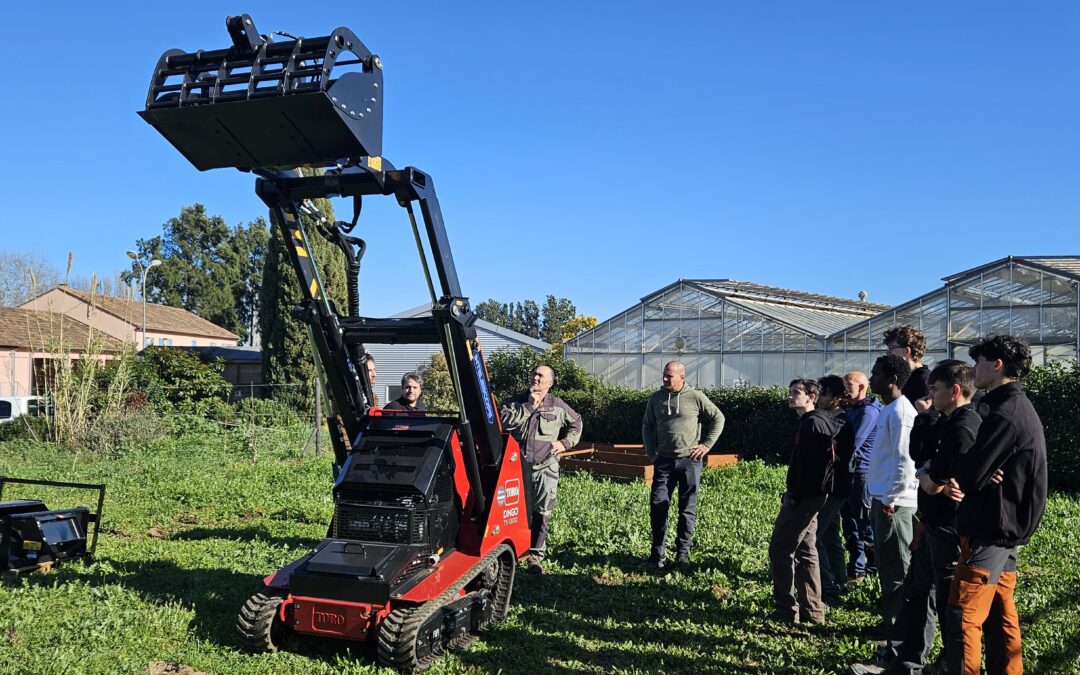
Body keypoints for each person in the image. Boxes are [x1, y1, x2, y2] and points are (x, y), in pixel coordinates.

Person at [849, 360, 981, 675]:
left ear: (955, 390)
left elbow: (923, 473)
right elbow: (920, 460)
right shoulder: (940, 419)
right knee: (918, 592)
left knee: (946, 600)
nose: (929, 394)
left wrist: (909, 488)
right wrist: (929, 473)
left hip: (948, 527)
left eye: (934, 389)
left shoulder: (965, 426)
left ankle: (948, 663)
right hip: (930, 519)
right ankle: (905, 660)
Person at [948, 336, 1047, 675]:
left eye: (979, 362)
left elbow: (971, 475)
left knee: (964, 615)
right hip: (1007, 527)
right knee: (1000, 615)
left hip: (991, 528)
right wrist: (980, 467)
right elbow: (981, 471)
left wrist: (966, 465)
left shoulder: (1004, 414)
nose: (973, 370)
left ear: (998, 365)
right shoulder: (1016, 406)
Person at [767, 378, 840, 625]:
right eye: (789, 392)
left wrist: (798, 495)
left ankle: (785, 609)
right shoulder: (813, 422)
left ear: (811, 397)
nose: (790, 396)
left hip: (805, 498)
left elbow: (818, 467)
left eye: (796, 392)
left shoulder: (814, 425)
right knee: (806, 550)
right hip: (810, 497)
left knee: (780, 549)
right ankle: (813, 609)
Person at [642, 360, 725, 571]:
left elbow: (718, 418)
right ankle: (657, 552)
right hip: (664, 462)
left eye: (669, 376)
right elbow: (647, 426)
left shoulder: (695, 397)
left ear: (682, 377)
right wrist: (651, 454)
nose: (665, 379)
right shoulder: (656, 398)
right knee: (658, 505)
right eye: (664, 374)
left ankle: (682, 553)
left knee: (687, 508)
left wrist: (706, 445)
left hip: (689, 462)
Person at [500, 365, 583, 575]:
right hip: (515, 468)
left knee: (542, 512)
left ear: (550, 383)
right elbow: (503, 423)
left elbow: (577, 423)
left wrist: (565, 443)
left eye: (541, 376)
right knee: (511, 511)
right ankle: (510, 551)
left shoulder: (557, 405)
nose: (536, 378)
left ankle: (535, 555)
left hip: (546, 467)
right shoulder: (515, 401)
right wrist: (528, 406)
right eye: (534, 374)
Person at [867, 354, 918, 637]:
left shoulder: (900, 413)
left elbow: (904, 460)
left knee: (897, 564)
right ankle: (891, 620)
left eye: (876, 373)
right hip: (885, 498)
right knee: (886, 563)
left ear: (892, 380)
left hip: (895, 503)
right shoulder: (889, 409)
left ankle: (898, 629)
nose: (871, 377)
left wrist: (891, 498)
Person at [814, 375, 856, 605]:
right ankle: (839, 581)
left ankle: (827, 584)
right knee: (830, 535)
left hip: (835, 486)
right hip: (834, 486)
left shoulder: (840, 421)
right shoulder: (835, 418)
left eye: (824, 394)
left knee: (814, 534)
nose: (820, 398)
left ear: (838, 398)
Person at [843, 371, 883, 582]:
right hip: (852, 473)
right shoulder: (854, 409)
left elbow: (852, 442)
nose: (844, 389)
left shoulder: (868, 411)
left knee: (863, 523)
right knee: (850, 522)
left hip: (862, 473)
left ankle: (872, 568)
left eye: (847, 384)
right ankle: (857, 567)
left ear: (861, 387)